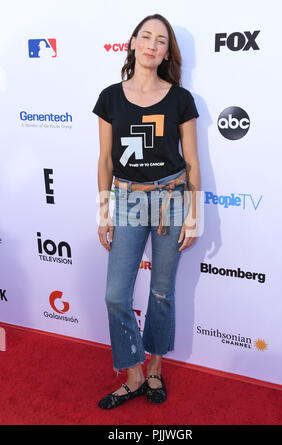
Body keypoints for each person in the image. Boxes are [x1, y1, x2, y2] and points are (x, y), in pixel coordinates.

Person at [92, 13, 200, 409]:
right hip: (127, 200)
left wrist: (194, 213)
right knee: (116, 295)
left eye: (162, 41)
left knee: (161, 293)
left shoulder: (180, 98)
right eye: (147, 37)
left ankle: (155, 369)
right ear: (134, 42)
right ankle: (134, 374)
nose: (153, 45)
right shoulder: (110, 97)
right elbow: (105, 160)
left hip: (172, 198)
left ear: (167, 51)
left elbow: (192, 159)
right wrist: (104, 210)